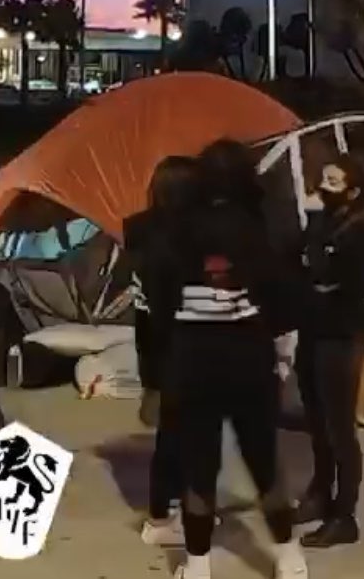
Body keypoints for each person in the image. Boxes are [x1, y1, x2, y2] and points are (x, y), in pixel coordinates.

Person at [144, 139, 307, 579]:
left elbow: (158, 300)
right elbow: (283, 296)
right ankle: (289, 558)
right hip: (248, 359)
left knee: (200, 466)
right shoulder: (260, 226)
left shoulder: (175, 230)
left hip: (193, 361)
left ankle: (198, 565)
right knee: (264, 460)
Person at [293, 154, 364, 550]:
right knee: (315, 420)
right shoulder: (329, 224)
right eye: (323, 179)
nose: (323, 188)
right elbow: (302, 267)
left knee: (339, 428)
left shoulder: (361, 232)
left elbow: (325, 276)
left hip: (340, 337)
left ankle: (344, 515)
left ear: (353, 190)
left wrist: (313, 237)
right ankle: (320, 492)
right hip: (313, 331)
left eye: (333, 182)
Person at [122, 155, 202, 549]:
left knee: (172, 435)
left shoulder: (138, 228)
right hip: (183, 348)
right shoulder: (182, 240)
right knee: (182, 437)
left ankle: (169, 510)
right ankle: (164, 517)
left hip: (151, 344)